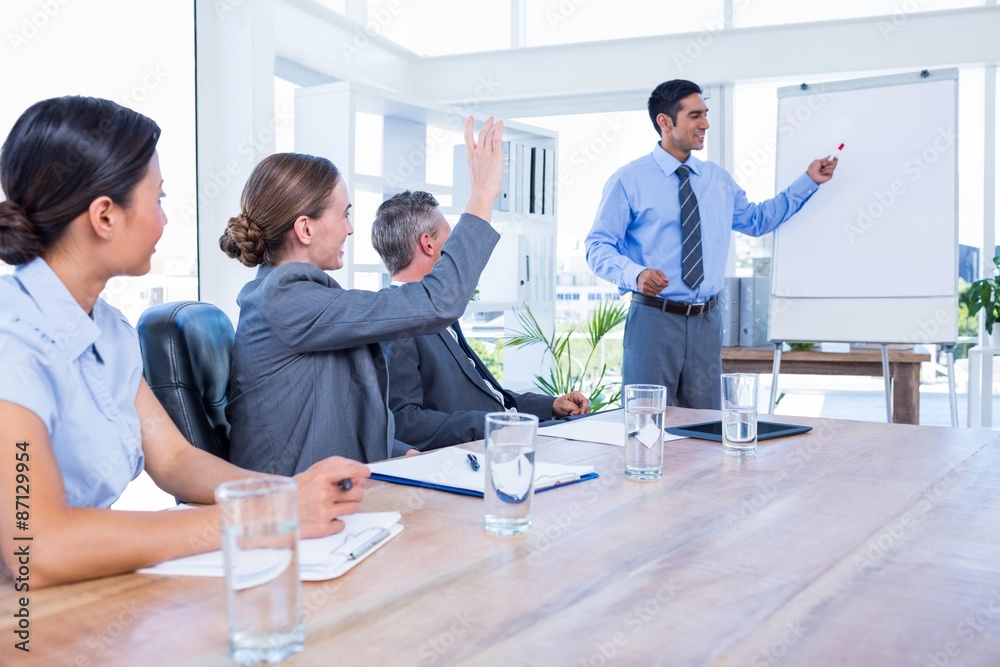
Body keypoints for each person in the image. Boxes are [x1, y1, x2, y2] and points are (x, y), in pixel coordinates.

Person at [0, 97, 368, 589]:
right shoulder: (12, 337)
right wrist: (259, 517)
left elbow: (174, 460)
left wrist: (282, 494)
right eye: (158, 199)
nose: (165, 221)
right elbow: (38, 547)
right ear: (105, 216)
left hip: (74, 591)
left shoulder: (108, 329)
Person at [220, 119, 506, 475]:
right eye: (344, 214)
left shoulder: (297, 294)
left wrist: (402, 454)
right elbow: (438, 302)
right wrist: (481, 196)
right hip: (290, 510)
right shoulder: (285, 297)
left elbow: (341, 414)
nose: (351, 228)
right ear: (305, 229)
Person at [585, 79, 838, 408]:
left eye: (706, 114)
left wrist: (808, 182)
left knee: (705, 428)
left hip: (707, 322)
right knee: (647, 423)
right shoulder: (629, 180)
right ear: (665, 121)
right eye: (694, 115)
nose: (705, 123)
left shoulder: (717, 180)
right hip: (653, 321)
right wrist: (636, 274)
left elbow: (757, 220)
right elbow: (598, 246)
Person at [372, 191, 589, 451]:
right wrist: (493, 425)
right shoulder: (399, 321)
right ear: (428, 244)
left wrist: (549, 406)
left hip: (507, 438)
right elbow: (405, 422)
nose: (457, 250)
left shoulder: (439, 315)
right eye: (451, 239)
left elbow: (484, 397)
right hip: (485, 450)